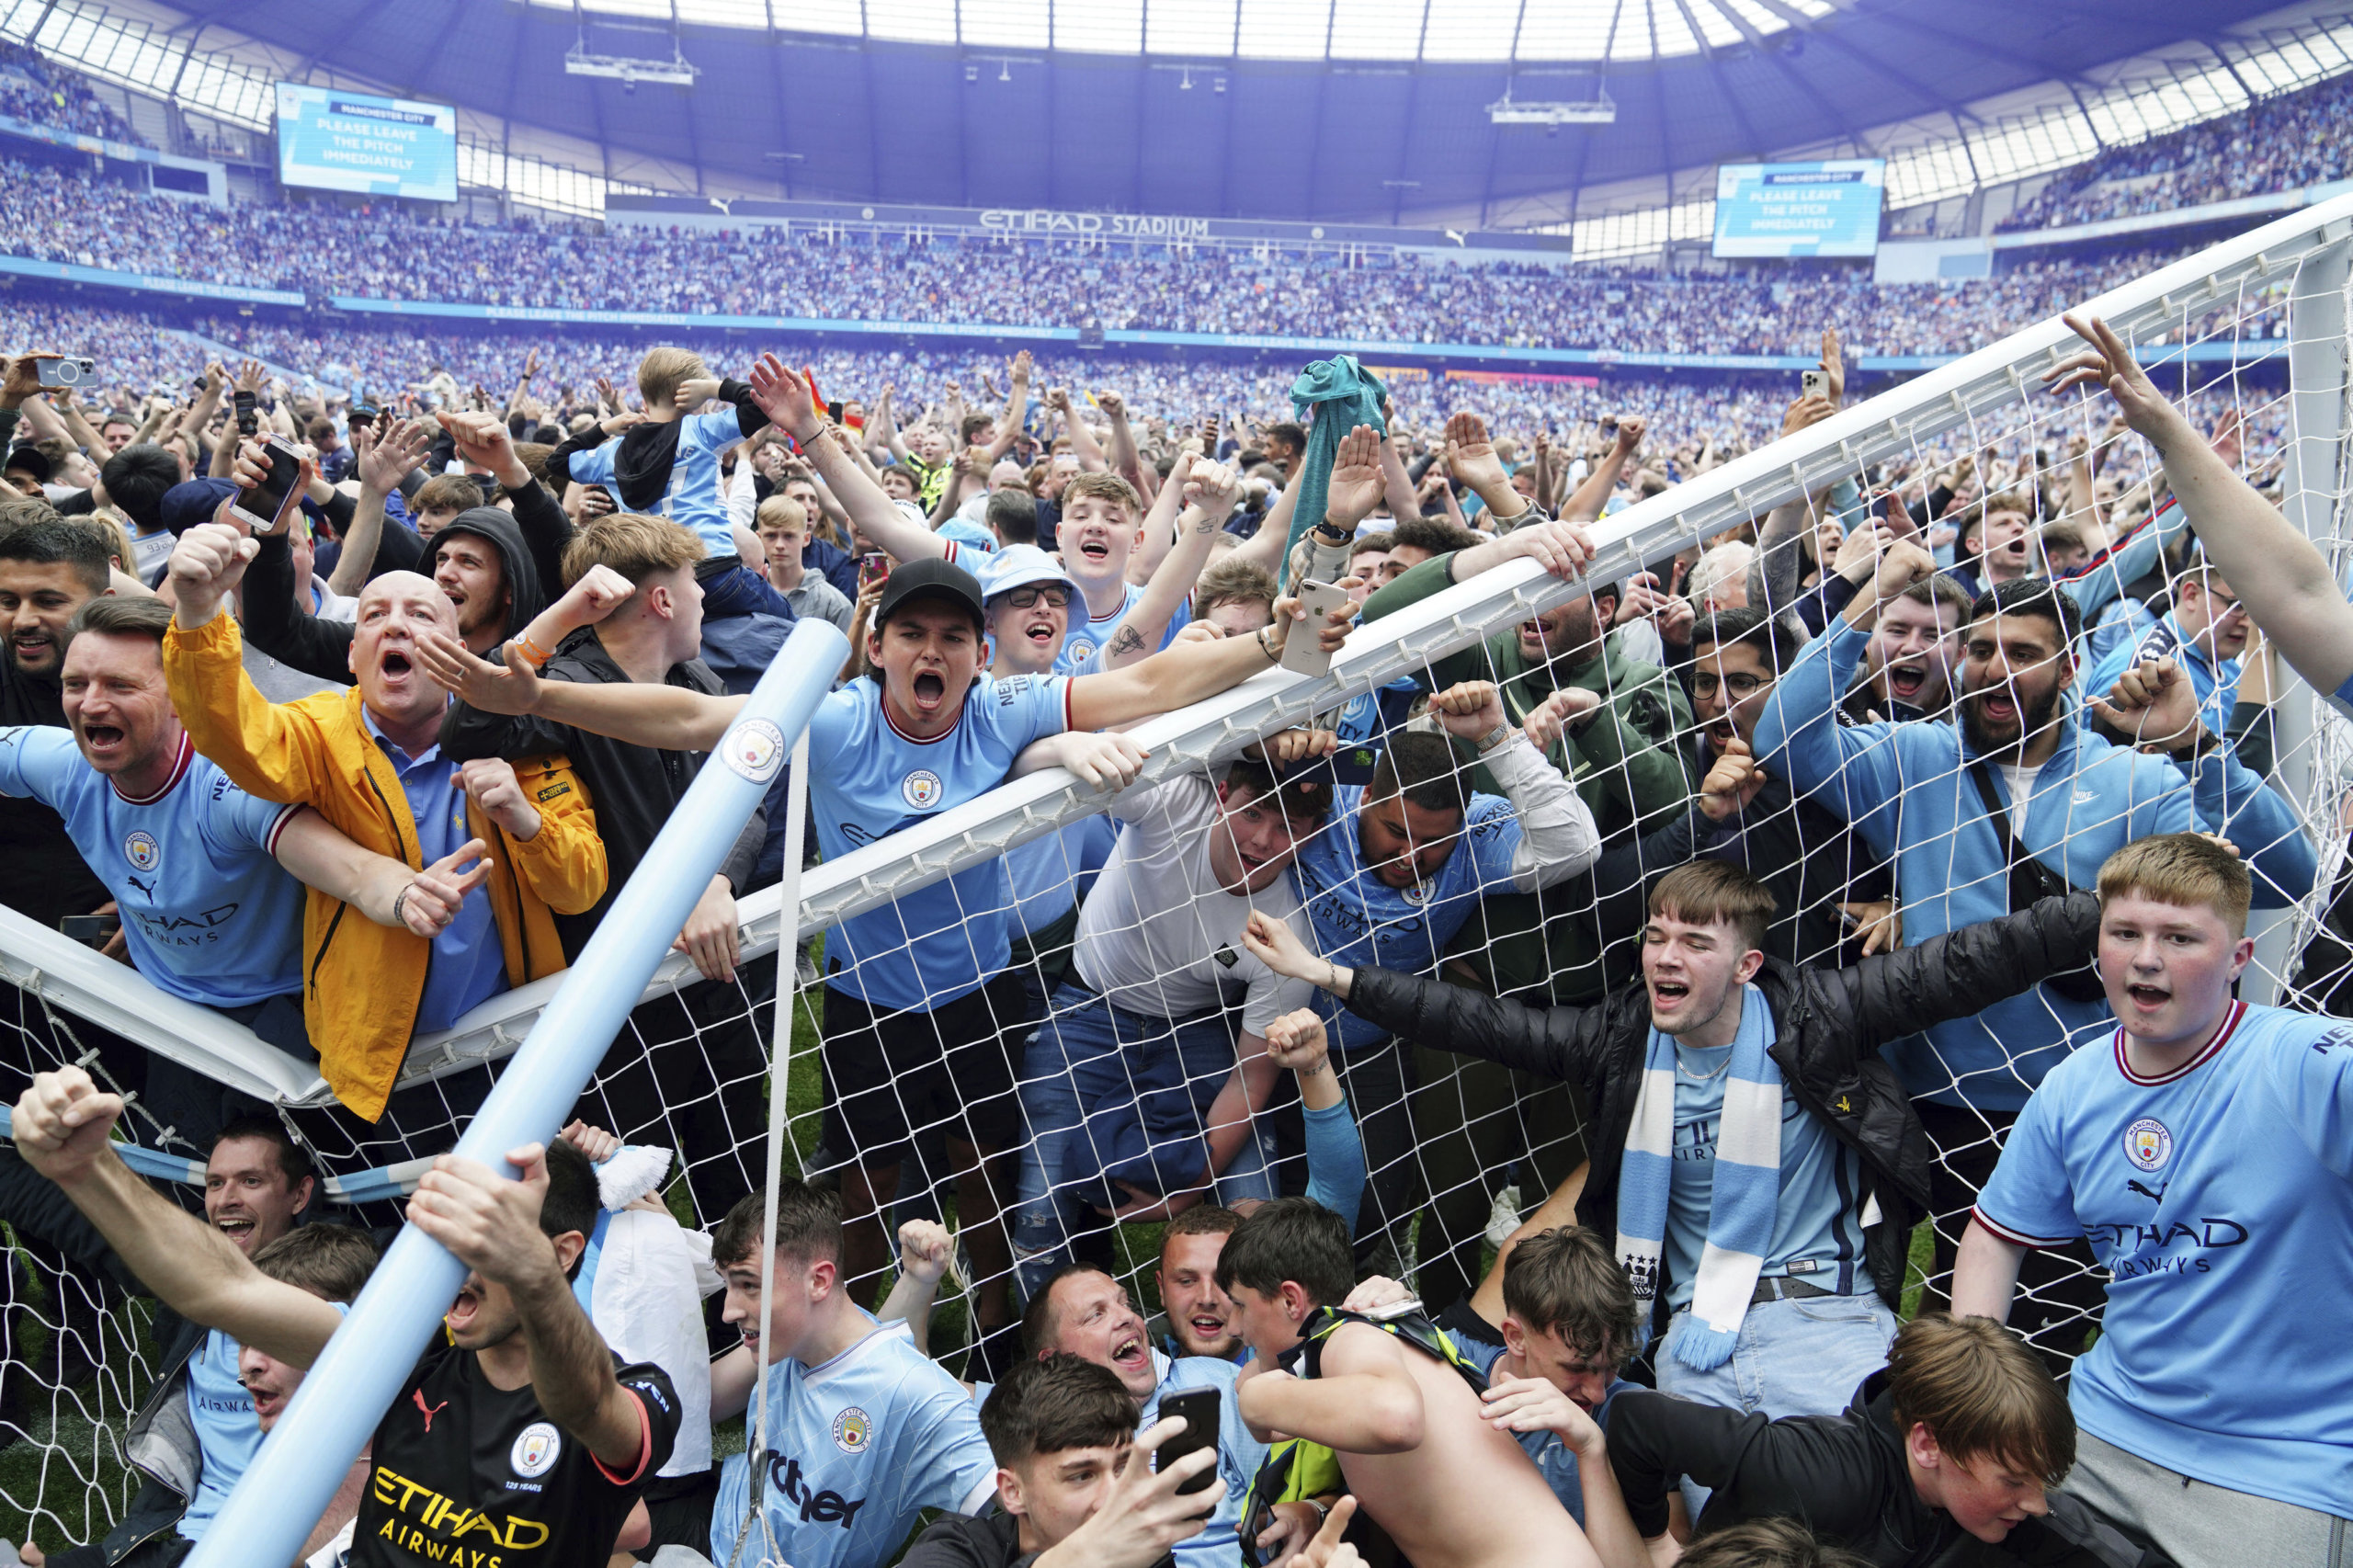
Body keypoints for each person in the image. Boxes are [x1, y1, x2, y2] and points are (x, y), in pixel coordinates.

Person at [411, 533, 1354, 1364]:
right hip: (868, 1000)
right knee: (861, 1190)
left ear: (980, 656)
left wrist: (1273, 644)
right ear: (876, 647)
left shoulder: (1006, 709)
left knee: (985, 1172)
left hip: (982, 991)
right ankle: (843, 1340)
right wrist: (547, 696)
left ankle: (997, 1333)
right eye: (912, 634)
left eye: (951, 636)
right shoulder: (836, 720)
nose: (930, 651)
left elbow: (1144, 685)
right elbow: (692, 720)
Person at [1241, 861, 2107, 1433]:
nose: (1666, 954)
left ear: (1746, 966)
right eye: (1657, 936)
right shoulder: (1619, 1043)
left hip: (1831, 1322)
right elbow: (1476, 1021)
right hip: (1688, 1344)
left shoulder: (1821, 1017)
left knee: (1858, 1514)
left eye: (1696, 942)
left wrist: (2120, 915)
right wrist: (1329, 977)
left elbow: (1972, 961)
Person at [1752, 543, 2315, 1367]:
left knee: (2054, 1322)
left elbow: (2282, 876)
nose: (1995, 669)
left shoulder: (2135, 781)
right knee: (1931, 1314)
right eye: (1980, 649)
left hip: (2077, 1099)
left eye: (2022, 652)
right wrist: (1867, 597)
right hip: (1931, 1096)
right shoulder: (1913, 762)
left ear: (2071, 663)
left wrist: (2195, 744)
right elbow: (1782, 737)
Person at [11, 1066, 681, 1568]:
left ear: (563, 1253)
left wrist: (531, 1273)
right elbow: (221, 1288)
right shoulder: (405, 1365)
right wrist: (87, 1171)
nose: (458, 1258)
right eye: (454, 1232)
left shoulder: (638, 1392)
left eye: (487, 1236)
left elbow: (586, 1404)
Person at [1954, 834, 2353, 1565]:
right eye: (2125, 933)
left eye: (2180, 938)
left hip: (2285, 1465)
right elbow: (1993, 1235)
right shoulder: (2074, 1087)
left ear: (2241, 958)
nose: (2146, 957)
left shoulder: (2303, 1060)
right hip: (2105, 1432)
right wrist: (1971, 1385)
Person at [0, 595, 515, 1137]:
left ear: (182, 696)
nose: (90, 704)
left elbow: (354, 871)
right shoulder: (60, 765)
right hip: (169, 1015)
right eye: (75, 685)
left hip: (285, 1021)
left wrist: (408, 895)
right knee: (195, 1188)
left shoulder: (229, 789)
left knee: (315, 1187)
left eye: (121, 686)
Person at [161, 521, 607, 1127]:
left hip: (513, 1043)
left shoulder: (514, 734)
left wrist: (523, 819)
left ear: (462, 654)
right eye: (373, 616)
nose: (395, 625)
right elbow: (231, 735)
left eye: (423, 615)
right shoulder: (318, 731)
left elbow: (580, 888)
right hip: (375, 1067)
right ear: (352, 654)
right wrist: (196, 609)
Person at [439, 519, 770, 1222]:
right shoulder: (564, 689)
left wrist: (715, 880)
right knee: (625, 1202)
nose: (705, 599)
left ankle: (739, 1324)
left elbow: (753, 796)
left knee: (740, 1187)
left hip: (712, 980)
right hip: (619, 1008)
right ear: (662, 602)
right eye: (693, 584)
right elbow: (470, 725)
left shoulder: (695, 679)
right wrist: (560, 618)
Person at [1007, 746, 1363, 1299]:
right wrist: (1061, 746)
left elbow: (1252, 1077)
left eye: (1286, 826)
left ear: (1311, 835)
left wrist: (1189, 1187)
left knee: (1251, 1197)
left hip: (1192, 1026)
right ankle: (1048, 1354)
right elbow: (1064, 756)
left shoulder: (1287, 933)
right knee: (1037, 1210)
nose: (1263, 840)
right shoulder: (1172, 801)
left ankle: (1247, 1348)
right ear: (1222, 796)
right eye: (1252, 813)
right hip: (1089, 1004)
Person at [1290, 687, 1603, 1290]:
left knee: (1372, 1204)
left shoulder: (1479, 831)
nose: (1410, 856)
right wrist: (1282, 747)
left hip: (1370, 1046)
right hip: (1262, 1029)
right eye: (1394, 831)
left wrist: (1495, 736)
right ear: (1367, 803)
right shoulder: (1346, 778)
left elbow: (1576, 844)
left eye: (1433, 841)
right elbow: (1290, 763)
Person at [1216, 1198, 1637, 1568]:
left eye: (1239, 1305)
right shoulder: (1366, 1351)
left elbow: (1398, 1417)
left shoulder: (1349, 1338)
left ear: (1291, 1300)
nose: (1234, 1326)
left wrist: (1256, 1397)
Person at [0, 1117, 319, 1567]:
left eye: (251, 1181)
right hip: (192, 1545)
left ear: (300, 1195)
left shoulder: (341, 1291)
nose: (227, 1199)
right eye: (215, 1183)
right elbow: (91, 1227)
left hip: (292, 1542)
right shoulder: (189, 1290)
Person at [1605, 1313, 2149, 1566]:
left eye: (2039, 1482)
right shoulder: (1815, 1473)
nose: (2034, 1503)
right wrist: (1656, 1540)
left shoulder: (2004, 1510)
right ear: (1927, 1445)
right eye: (2013, 1480)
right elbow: (1637, 1421)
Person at [704, 1179, 997, 1568]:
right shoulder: (784, 1343)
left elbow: (1034, 1498)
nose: (728, 1311)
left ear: (819, 1281)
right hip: (719, 1530)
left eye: (748, 1285)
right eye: (728, 1285)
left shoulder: (915, 1394)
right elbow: (701, 1401)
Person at [899, 1355, 1222, 1568]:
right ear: (1013, 1491)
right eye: (1082, 1476)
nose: (1114, 1499)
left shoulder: (1139, 1547)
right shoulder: (957, 1549)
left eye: (1122, 1467)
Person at [563, 346, 792, 620]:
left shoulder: (612, 453)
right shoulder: (701, 431)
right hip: (717, 573)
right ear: (691, 395)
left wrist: (605, 428)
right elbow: (768, 404)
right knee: (793, 629)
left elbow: (558, 460)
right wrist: (714, 389)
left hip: (656, 588)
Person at [222, 1224, 383, 1568]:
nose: (249, 1364)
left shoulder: (420, 1460)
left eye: (276, 1340)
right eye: (243, 1341)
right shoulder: (281, 1454)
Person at [0, 517, 119, 931]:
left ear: (102, 603)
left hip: (125, 964)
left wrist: (160, 907)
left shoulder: (165, 690)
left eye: (48, 601)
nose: (22, 620)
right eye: (8, 601)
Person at [2079, 555, 2248, 744]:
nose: (2249, 622)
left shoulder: (2226, 664)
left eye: (2256, 610)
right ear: (2191, 595)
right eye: (2238, 605)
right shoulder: (2143, 670)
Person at [1152, 1207, 1244, 1361]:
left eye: (1224, 1280)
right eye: (1187, 1281)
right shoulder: (1146, 1380)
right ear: (1162, 1288)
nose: (1207, 1299)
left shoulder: (1294, 1372)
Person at [756, 493, 853, 631]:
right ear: (759, 538)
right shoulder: (749, 595)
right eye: (771, 535)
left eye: (789, 536)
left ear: (806, 539)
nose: (779, 545)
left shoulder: (835, 604)